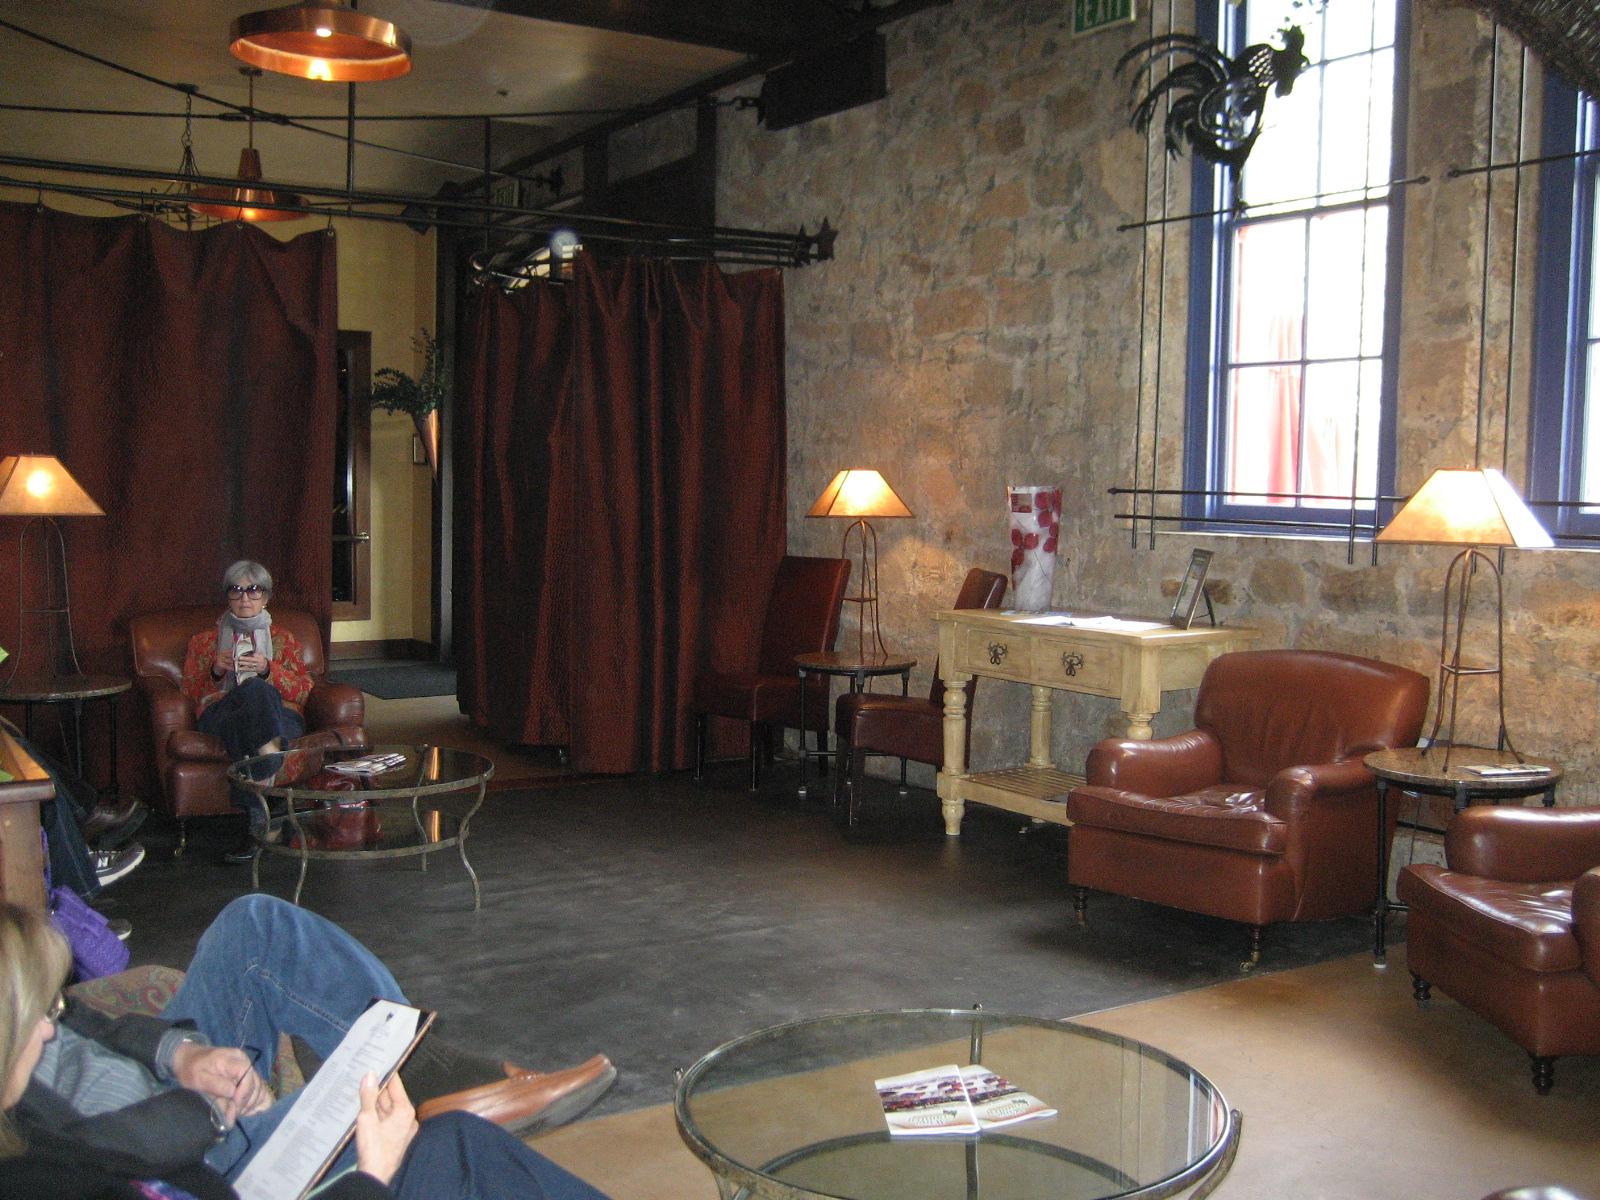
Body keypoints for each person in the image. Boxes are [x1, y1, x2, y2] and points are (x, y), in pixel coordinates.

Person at [0, 895, 616, 1200]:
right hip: (188, 1158)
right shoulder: (35, 1174)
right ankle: (423, 1078)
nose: (52, 1026)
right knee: (454, 1142)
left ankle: (424, 1066)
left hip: (171, 1099)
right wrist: (372, 1174)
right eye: (38, 1016)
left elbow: (88, 1024)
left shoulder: (31, 1050)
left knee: (254, 926)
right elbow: (120, 1154)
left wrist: (180, 1054)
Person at [180, 561, 312, 864]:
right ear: (227, 596)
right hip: (221, 712)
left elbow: (303, 689)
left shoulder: (284, 639)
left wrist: (268, 669)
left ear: (266, 597)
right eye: (236, 590)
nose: (244, 598)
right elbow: (188, 692)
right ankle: (270, 761)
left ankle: (256, 824)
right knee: (251, 697)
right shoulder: (204, 642)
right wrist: (215, 671)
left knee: (258, 691)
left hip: (280, 715)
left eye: (253, 590)